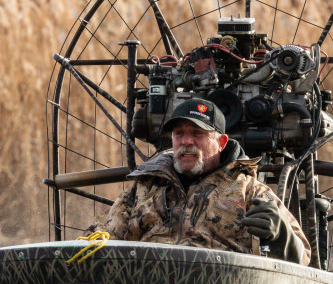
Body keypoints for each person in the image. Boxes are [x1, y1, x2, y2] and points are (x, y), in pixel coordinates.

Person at [87, 98, 311, 265]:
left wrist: (282, 235)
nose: (186, 141)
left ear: (222, 142)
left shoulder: (250, 191)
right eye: (179, 133)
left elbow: (303, 260)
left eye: (197, 133)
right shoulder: (144, 187)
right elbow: (98, 240)